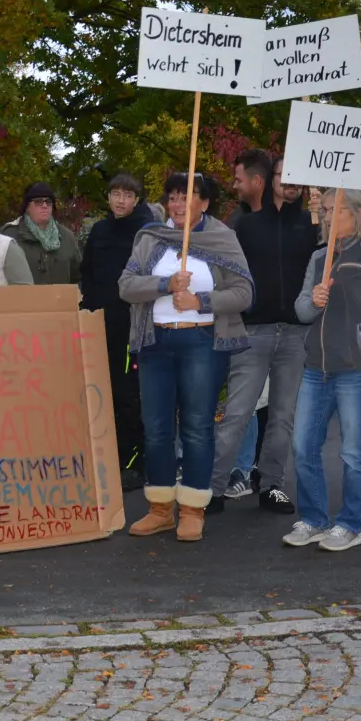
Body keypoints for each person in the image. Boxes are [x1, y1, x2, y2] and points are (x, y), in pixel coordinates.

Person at [118, 173, 252, 543]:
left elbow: (244, 293)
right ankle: (160, 508)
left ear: (204, 203)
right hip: (154, 342)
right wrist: (165, 285)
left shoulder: (222, 238)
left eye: (186, 197)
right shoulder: (150, 238)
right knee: (157, 427)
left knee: (196, 426)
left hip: (202, 343)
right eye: (173, 198)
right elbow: (126, 287)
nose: (177, 205)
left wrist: (200, 301)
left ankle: (193, 509)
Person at [282, 189, 361, 553]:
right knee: (303, 446)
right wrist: (312, 300)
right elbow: (302, 309)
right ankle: (315, 520)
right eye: (326, 209)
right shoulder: (320, 256)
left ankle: (350, 524)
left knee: (353, 451)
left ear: (358, 212)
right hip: (316, 367)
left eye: (338, 210)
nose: (330, 216)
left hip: (357, 369)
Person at [208, 149, 318, 514]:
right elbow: (224, 273)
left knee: (283, 416)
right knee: (238, 411)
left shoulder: (313, 225)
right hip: (252, 331)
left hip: (296, 334)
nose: (290, 183)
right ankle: (214, 487)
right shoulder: (246, 224)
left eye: (297, 176)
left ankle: (270, 484)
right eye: (284, 175)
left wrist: (323, 221)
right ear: (271, 180)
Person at [79, 173, 151, 490]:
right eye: (115, 194)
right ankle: (105, 456)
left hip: (131, 327)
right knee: (100, 392)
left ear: (137, 199)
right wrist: (86, 313)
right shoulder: (99, 230)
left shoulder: (145, 232)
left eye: (127, 194)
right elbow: (88, 275)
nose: (120, 200)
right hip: (99, 325)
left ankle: (132, 461)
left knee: (127, 395)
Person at [9, 182, 81, 285]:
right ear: (27, 207)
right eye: (38, 201)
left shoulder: (67, 237)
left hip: (60, 299)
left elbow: (78, 276)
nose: (44, 205)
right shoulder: (10, 235)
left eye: (48, 201)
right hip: (24, 300)